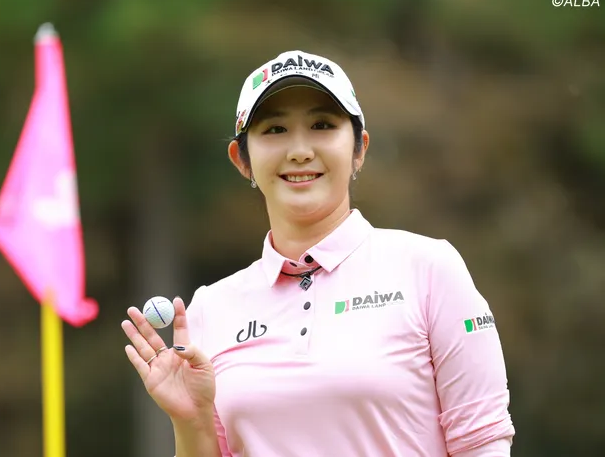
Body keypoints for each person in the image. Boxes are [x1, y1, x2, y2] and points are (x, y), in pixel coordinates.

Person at [121, 50, 515, 456]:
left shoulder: (429, 270)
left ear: (359, 149)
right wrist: (190, 422)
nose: (299, 151)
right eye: (275, 129)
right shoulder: (209, 309)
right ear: (242, 160)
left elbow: (482, 443)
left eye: (322, 125)